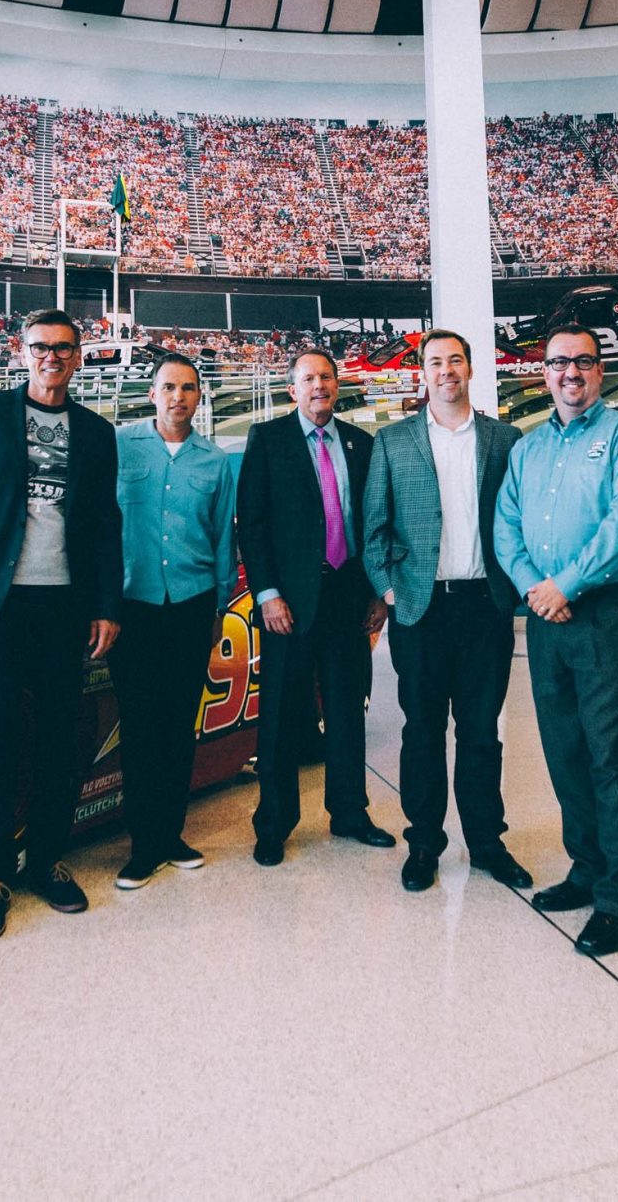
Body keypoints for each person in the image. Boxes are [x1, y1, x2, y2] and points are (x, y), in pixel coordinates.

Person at [0, 308, 122, 942]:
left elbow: (105, 525)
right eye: (41, 347)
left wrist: (106, 605)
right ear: (23, 352)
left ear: (78, 357)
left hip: (66, 606)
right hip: (2, 606)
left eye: (64, 348)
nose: (52, 357)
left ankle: (46, 860)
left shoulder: (95, 432)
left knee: (60, 739)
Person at [495, 325, 618, 956]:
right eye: (559, 362)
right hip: (547, 619)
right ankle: (587, 868)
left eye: (583, 361)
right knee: (565, 749)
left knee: (615, 756)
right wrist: (534, 588)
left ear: (600, 371)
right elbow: (506, 524)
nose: (571, 372)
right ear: (544, 373)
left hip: (608, 614)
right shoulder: (528, 449)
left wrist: (565, 584)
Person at [362, 329, 530, 894]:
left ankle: (486, 843)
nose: (446, 371)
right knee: (423, 732)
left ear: (470, 368)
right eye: (435, 362)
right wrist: (389, 591)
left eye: (455, 360)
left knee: (482, 732)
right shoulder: (393, 441)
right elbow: (374, 529)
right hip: (421, 610)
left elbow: (518, 520)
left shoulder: (505, 440)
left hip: (485, 607)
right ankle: (424, 844)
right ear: (423, 372)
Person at [236, 349, 392, 865]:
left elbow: (374, 523)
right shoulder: (268, 440)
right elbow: (252, 523)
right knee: (281, 716)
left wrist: (378, 592)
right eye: (308, 378)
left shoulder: (361, 443)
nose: (319, 385)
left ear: (337, 384)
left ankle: (349, 812)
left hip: (349, 598)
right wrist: (267, 593)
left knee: (348, 710)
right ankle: (274, 824)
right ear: (292, 389)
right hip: (289, 603)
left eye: (326, 376)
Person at [109, 353, 236, 891]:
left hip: (191, 602)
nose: (178, 397)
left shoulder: (215, 461)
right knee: (139, 724)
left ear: (199, 397)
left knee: (180, 724)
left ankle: (171, 834)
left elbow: (223, 539)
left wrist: (219, 606)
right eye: (168, 387)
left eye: (187, 388)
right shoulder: (120, 446)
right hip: (132, 605)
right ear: (152, 394)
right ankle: (144, 844)